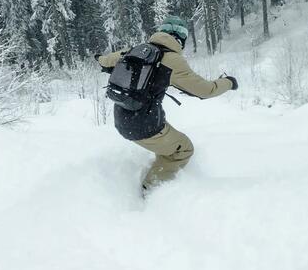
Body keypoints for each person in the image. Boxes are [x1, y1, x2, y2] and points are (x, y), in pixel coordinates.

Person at [98, 16, 238, 192]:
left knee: (167, 137)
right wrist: (229, 83)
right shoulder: (171, 60)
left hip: (122, 117)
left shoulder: (136, 50)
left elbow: (104, 61)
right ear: (180, 39)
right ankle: (150, 190)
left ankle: (160, 166)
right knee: (184, 149)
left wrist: (99, 58)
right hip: (145, 126)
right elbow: (206, 91)